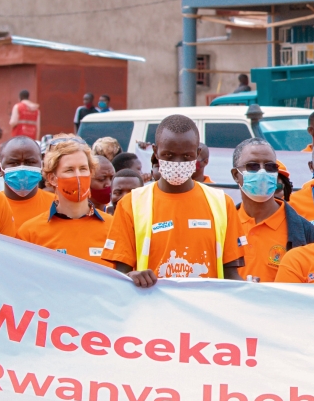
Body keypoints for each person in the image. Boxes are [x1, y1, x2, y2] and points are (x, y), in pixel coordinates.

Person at [103, 114, 242, 287]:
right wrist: (132, 276)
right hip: (152, 304)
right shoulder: (131, 204)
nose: (177, 163)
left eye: (187, 156)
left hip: (206, 304)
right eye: (168, 155)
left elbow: (231, 276)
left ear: (198, 154)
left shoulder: (221, 203)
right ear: (155, 152)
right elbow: (120, 277)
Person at [232, 138, 314, 283]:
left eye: (270, 166)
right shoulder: (224, 225)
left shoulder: (305, 232)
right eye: (253, 166)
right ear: (236, 175)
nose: (262, 172)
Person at [18, 139, 114, 268]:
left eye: (83, 169)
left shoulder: (113, 228)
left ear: (91, 173)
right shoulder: (30, 232)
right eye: (69, 170)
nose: (78, 176)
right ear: (52, 178)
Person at [0, 136, 50, 227]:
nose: (22, 168)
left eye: (30, 162)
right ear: (0, 169)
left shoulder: (57, 206)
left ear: (42, 166)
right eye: (14, 163)